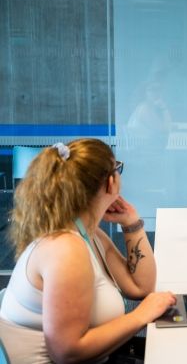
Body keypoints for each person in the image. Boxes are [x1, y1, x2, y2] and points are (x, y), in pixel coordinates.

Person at [0, 139, 176, 363]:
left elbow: (140, 287)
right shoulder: (66, 249)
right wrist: (141, 315)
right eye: (118, 167)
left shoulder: (85, 232)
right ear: (111, 183)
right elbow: (67, 352)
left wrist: (131, 223)